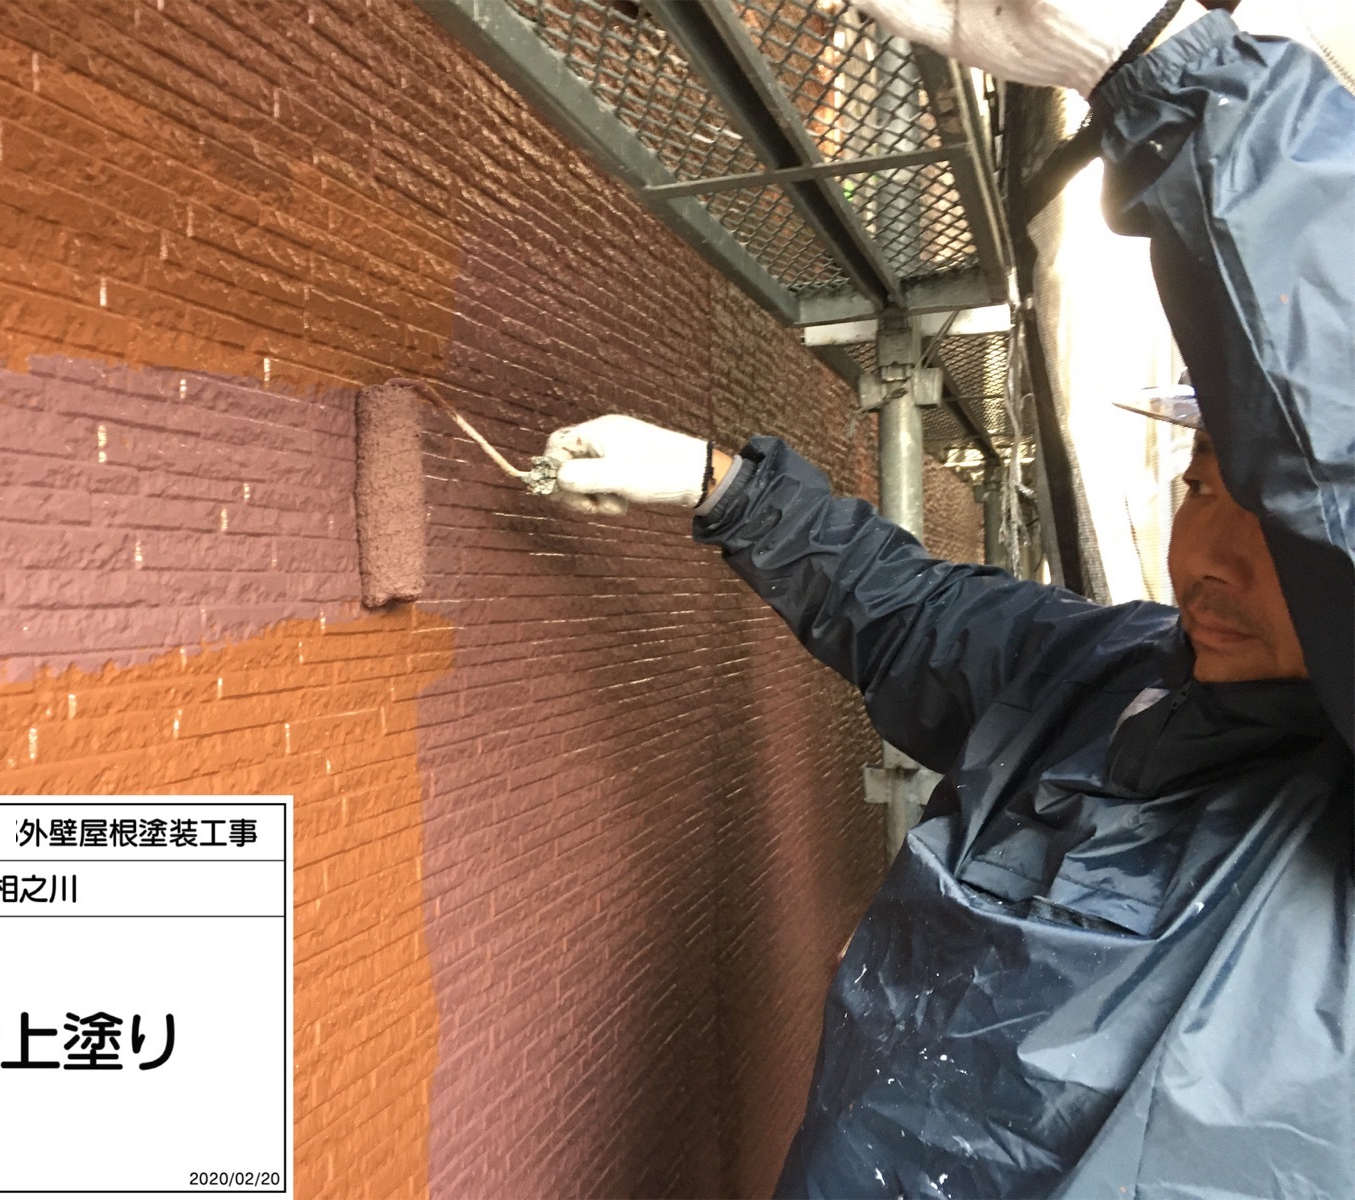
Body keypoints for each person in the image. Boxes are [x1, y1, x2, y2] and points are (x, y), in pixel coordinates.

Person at [541, 2, 1353, 1195]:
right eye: (1197, 488)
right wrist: (722, 485)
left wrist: (1173, 76)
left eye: (1275, 516)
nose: (1210, 560)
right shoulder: (1109, 678)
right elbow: (914, 612)